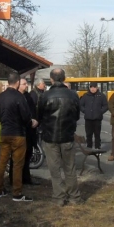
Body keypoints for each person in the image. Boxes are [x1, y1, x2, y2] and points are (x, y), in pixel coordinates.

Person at [37, 68, 82, 206]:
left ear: (51, 79)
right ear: (64, 78)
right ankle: (74, 197)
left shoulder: (45, 96)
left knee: (54, 169)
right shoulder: (73, 95)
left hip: (50, 136)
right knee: (70, 168)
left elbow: (39, 116)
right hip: (67, 135)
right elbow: (77, 116)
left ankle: (59, 197)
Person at [0, 72, 35, 202]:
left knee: (2, 162)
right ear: (17, 82)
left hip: (4, 132)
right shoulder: (19, 97)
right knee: (17, 164)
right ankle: (17, 193)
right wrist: (30, 123)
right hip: (18, 134)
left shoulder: (0, 96)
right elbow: (25, 116)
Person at [18, 77, 38, 185]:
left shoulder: (28, 96)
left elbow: (33, 110)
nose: (26, 85)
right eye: (24, 84)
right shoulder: (16, 97)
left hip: (31, 131)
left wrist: (36, 120)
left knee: (28, 155)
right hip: (21, 131)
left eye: (27, 83)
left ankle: (26, 178)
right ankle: (17, 179)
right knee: (19, 157)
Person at [79, 82, 108, 150]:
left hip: (97, 118)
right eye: (91, 87)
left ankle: (97, 147)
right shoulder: (85, 95)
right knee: (88, 134)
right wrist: (85, 111)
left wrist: (100, 112)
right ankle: (89, 147)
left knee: (97, 134)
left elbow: (106, 106)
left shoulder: (101, 96)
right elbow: (80, 105)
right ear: (89, 88)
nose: (93, 89)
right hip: (88, 118)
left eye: (94, 87)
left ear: (97, 88)